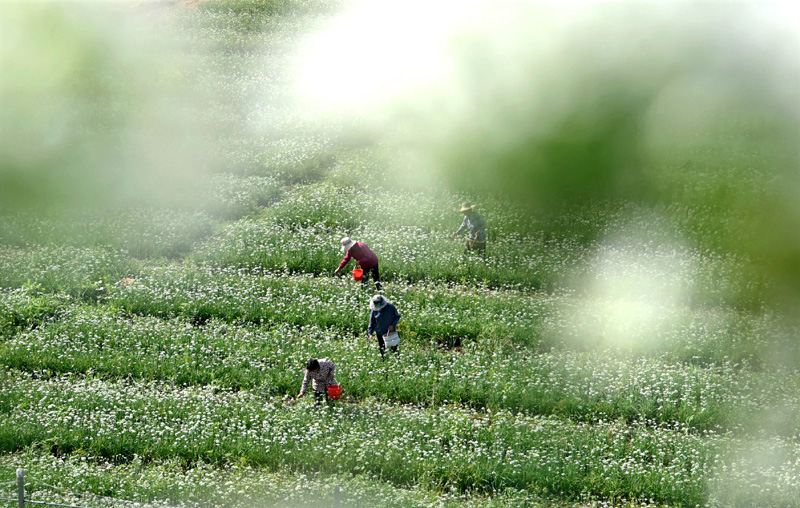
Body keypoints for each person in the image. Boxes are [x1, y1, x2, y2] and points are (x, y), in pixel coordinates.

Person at [367, 294, 401, 359]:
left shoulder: (391, 307)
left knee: (394, 349)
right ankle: (384, 361)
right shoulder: (374, 309)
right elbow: (372, 322)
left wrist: (393, 325)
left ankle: (398, 360)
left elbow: (397, 316)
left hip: (391, 332)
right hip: (379, 333)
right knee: (382, 348)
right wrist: (370, 333)